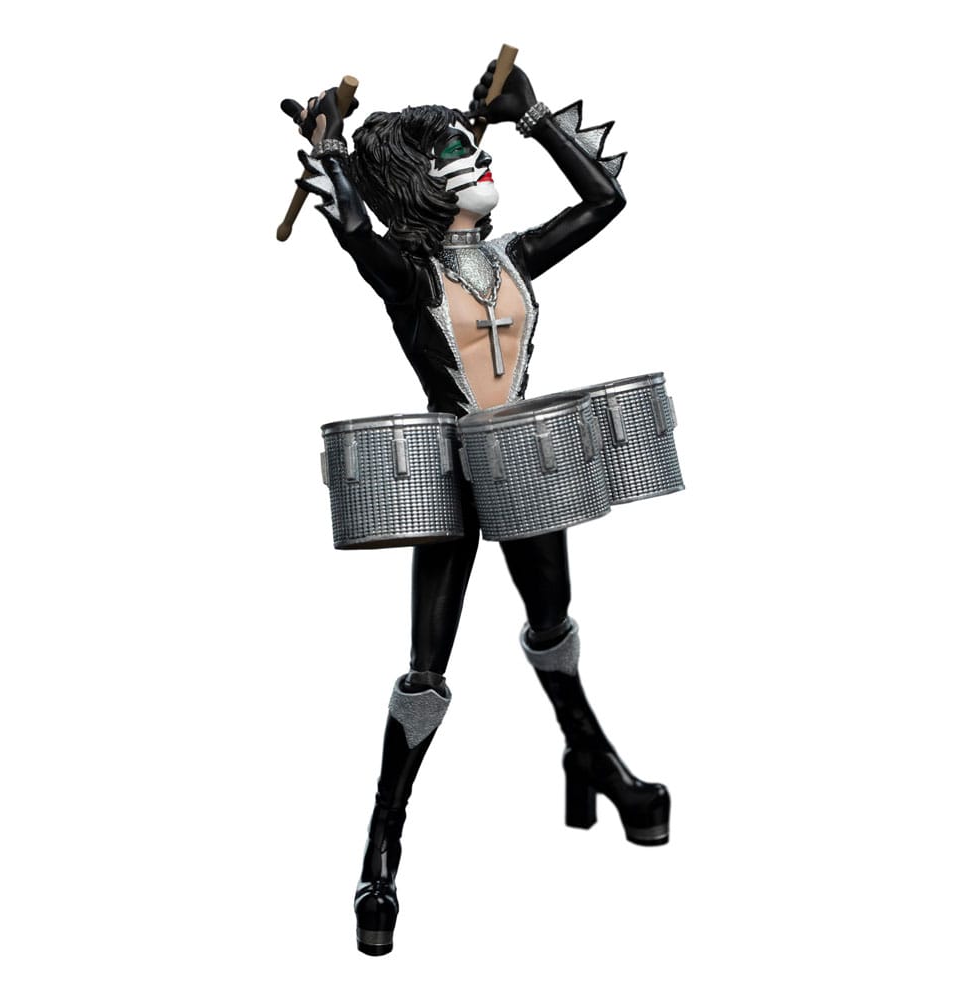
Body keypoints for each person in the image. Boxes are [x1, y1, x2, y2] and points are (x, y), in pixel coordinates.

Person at [282, 61, 670, 957]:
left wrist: (532, 114)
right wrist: (334, 157)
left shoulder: (510, 261)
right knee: (427, 671)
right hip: (448, 469)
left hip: (525, 455)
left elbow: (606, 200)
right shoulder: (410, 276)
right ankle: (382, 846)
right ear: (419, 184)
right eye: (452, 152)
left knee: (553, 627)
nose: (475, 157)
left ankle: (591, 760)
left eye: (470, 143)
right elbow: (356, 233)